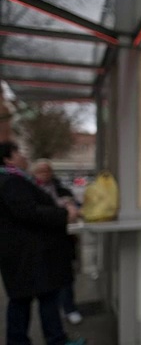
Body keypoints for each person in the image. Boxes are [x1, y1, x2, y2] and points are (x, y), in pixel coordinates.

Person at [0, 142, 85, 345]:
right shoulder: (11, 181)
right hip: (28, 254)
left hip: (26, 254)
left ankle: (45, 339)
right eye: (18, 152)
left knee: (33, 298)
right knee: (36, 298)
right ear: (8, 159)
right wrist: (65, 214)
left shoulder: (16, 179)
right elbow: (29, 212)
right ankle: (51, 340)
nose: (23, 156)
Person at [32, 159, 84, 325]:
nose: (45, 174)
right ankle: (55, 314)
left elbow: (74, 205)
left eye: (47, 170)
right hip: (42, 240)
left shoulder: (60, 188)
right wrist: (63, 210)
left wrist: (69, 205)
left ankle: (69, 308)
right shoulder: (31, 190)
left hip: (62, 239)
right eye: (41, 171)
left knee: (66, 277)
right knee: (48, 281)